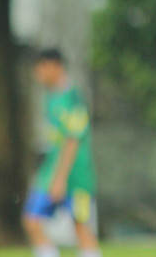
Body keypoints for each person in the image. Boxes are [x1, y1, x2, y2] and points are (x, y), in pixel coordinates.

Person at [23, 48, 101, 257]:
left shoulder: (73, 98)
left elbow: (73, 140)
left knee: (82, 227)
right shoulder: (50, 97)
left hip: (76, 176)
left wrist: (60, 179)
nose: (37, 73)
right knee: (32, 220)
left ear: (55, 66)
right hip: (50, 172)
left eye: (40, 68)